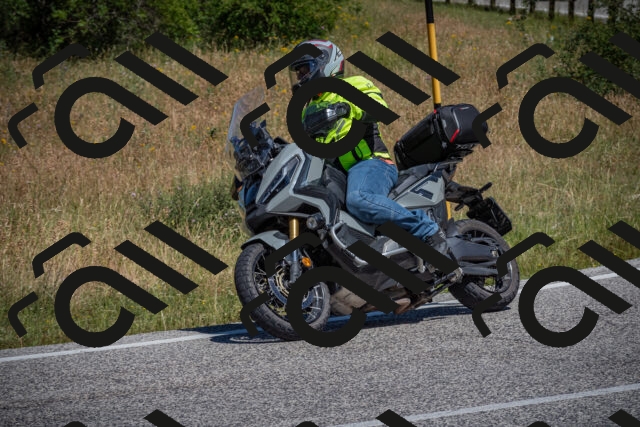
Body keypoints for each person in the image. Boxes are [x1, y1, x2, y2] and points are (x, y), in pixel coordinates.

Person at [287, 39, 450, 257]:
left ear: (324, 64)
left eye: (304, 69)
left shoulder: (352, 85)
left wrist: (346, 107)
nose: (300, 77)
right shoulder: (309, 110)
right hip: (335, 174)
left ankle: (428, 231)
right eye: (297, 72)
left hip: (370, 163)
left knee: (359, 199)